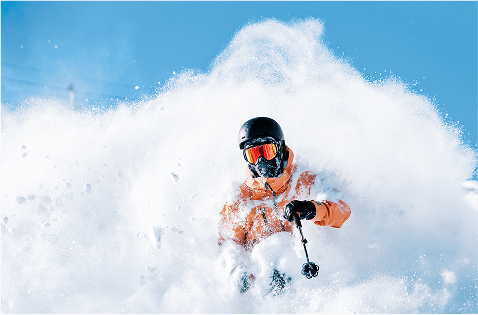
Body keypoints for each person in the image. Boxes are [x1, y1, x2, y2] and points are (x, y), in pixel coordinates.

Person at [218, 117, 351, 294]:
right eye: (253, 154)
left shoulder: (304, 181)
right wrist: (238, 270)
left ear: (280, 148)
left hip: (306, 273)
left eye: (267, 151)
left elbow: (341, 210)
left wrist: (311, 209)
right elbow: (227, 243)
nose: (261, 161)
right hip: (262, 282)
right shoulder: (240, 199)